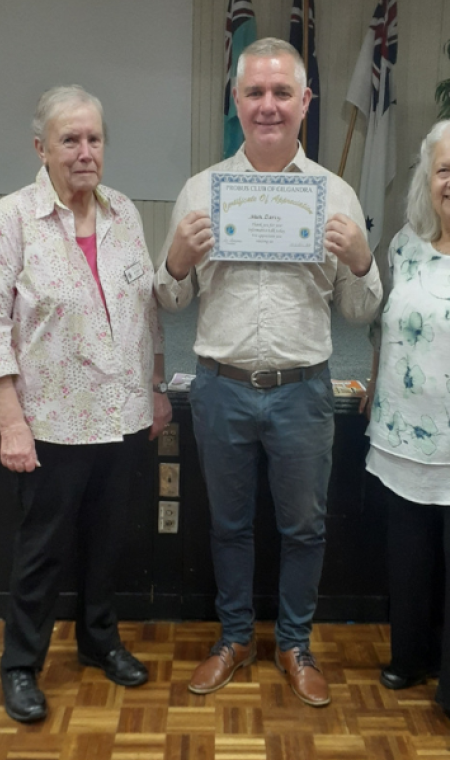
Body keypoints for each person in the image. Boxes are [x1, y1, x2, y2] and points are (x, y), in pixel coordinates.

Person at [154, 38, 382, 707]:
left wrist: (365, 261)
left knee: (305, 527)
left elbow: (358, 310)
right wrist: (173, 262)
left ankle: (294, 643)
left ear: (305, 102)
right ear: (236, 100)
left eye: (282, 93)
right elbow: (171, 301)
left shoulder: (334, 195)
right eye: (255, 92)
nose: (269, 105)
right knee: (227, 525)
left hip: (302, 391)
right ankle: (233, 638)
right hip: (220, 385)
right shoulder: (201, 191)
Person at [0, 85, 172, 723]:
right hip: (50, 421)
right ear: (41, 148)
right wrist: (8, 421)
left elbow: (144, 307)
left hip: (122, 415)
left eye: (94, 138)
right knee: (42, 551)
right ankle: (21, 663)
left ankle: (100, 641)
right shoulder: (11, 218)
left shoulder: (123, 211)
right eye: (69, 140)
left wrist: (155, 388)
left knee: (108, 542)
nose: (84, 151)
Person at [360, 116, 450, 752]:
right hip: (400, 438)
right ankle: (414, 655)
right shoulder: (405, 246)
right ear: (428, 178)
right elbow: (387, 328)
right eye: (442, 169)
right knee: (411, 560)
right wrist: (373, 390)